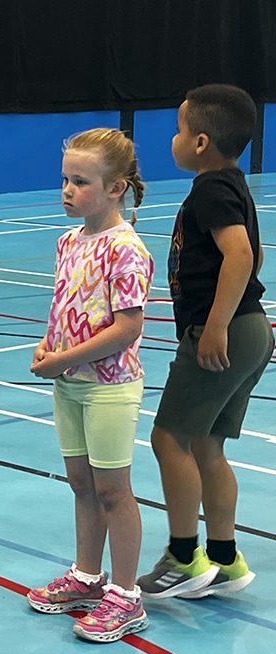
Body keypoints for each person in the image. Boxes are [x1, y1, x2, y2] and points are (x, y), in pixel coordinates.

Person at [137, 84, 273, 599]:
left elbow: (240, 256)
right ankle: (223, 558)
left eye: (177, 129)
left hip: (226, 331)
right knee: (207, 446)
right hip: (254, 329)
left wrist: (215, 325)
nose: (171, 139)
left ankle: (183, 556)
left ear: (199, 142)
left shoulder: (210, 189)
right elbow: (255, 255)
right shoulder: (235, 184)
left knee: (168, 438)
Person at [25, 128, 154, 643]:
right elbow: (63, 309)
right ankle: (86, 577)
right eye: (65, 179)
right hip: (69, 384)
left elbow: (126, 328)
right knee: (81, 484)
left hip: (108, 388)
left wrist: (62, 360)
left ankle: (126, 595)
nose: (67, 190)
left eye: (80, 181)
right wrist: (45, 347)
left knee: (112, 490)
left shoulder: (127, 249)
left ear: (117, 187)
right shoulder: (68, 241)